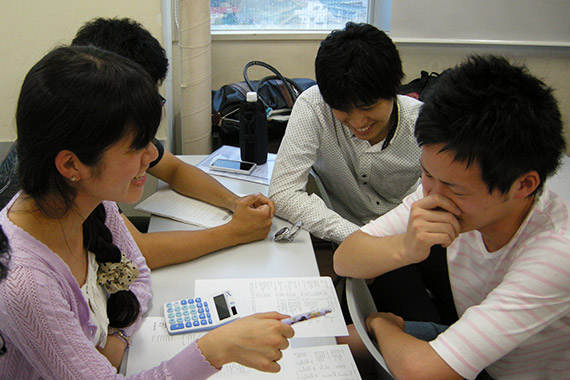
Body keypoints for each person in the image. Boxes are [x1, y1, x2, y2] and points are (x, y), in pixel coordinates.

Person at [0, 45, 294, 379]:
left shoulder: (90, 201)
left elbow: (138, 272)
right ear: (71, 164)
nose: (152, 154)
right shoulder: (25, 283)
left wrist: (118, 336)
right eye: (137, 145)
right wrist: (216, 349)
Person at [334, 55, 569, 380]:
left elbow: (423, 372)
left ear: (524, 185)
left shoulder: (557, 254)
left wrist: (380, 325)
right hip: (478, 348)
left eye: (454, 189)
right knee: (338, 336)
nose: (432, 196)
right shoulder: (443, 187)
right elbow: (345, 258)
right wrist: (406, 248)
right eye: (427, 174)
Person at [70, 17, 275, 269]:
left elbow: (175, 170)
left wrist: (235, 203)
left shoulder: (102, 128)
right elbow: (138, 253)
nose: (149, 154)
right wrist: (235, 232)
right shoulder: (75, 164)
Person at [269, 22, 422, 245]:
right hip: (350, 237)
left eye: (368, 107)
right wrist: (359, 239)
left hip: (409, 231)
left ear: (393, 89)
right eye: (343, 110)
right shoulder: (315, 105)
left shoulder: (421, 123)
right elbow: (283, 193)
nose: (359, 122)